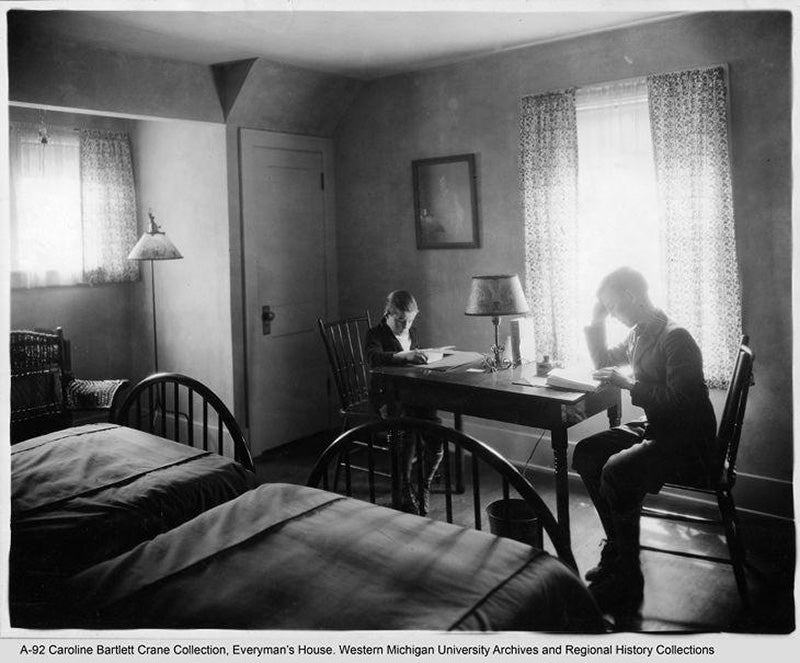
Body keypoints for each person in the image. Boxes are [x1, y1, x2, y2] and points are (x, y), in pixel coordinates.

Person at [571, 267, 717, 617]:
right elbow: (605, 362)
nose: (613, 314)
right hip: (659, 428)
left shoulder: (674, 336)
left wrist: (630, 385)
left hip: (687, 442)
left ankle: (628, 578)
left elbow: (685, 406)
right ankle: (619, 552)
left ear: (633, 298)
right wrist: (595, 319)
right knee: (587, 453)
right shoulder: (639, 333)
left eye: (613, 307)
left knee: (617, 473)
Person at [364, 290, 443, 516]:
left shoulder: (412, 333)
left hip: (412, 396)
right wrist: (404, 356)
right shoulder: (376, 334)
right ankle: (403, 489)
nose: (405, 326)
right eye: (400, 320)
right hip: (385, 398)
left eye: (410, 320)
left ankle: (423, 482)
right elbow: (373, 358)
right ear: (388, 313)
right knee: (403, 435)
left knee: (437, 431)